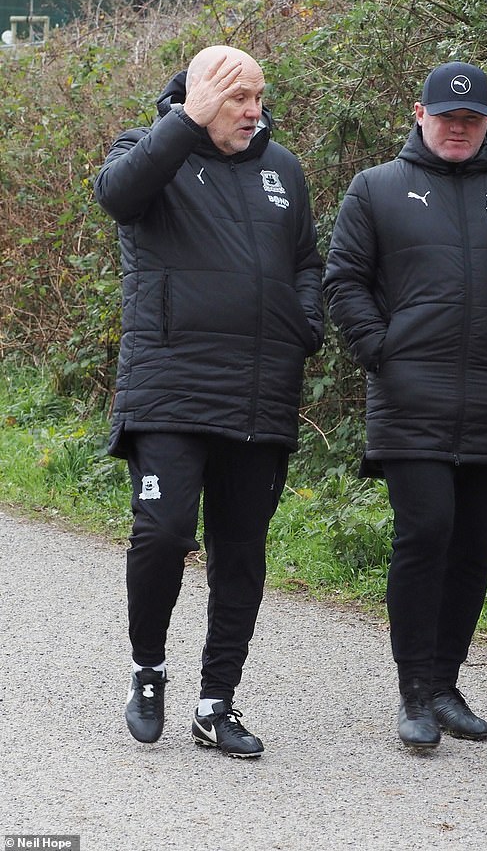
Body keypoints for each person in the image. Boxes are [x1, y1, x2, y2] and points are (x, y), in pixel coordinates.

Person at [323, 61, 487, 749]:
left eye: (471, 119)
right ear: (418, 113)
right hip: (411, 401)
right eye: (446, 116)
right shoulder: (376, 188)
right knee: (425, 532)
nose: (458, 129)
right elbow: (344, 277)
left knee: (472, 548)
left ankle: (445, 686)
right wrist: (382, 351)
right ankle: (411, 692)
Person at [94, 45, 323, 756]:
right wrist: (185, 123)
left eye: (258, 96)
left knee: (242, 555)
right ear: (199, 96)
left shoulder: (282, 169)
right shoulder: (148, 149)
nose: (253, 111)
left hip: (259, 392)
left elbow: (307, 263)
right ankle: (149, 670)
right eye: (236, 97)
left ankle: (216, 702)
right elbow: (116, 195)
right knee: (162, 533)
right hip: (170, 387)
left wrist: (302, 327)